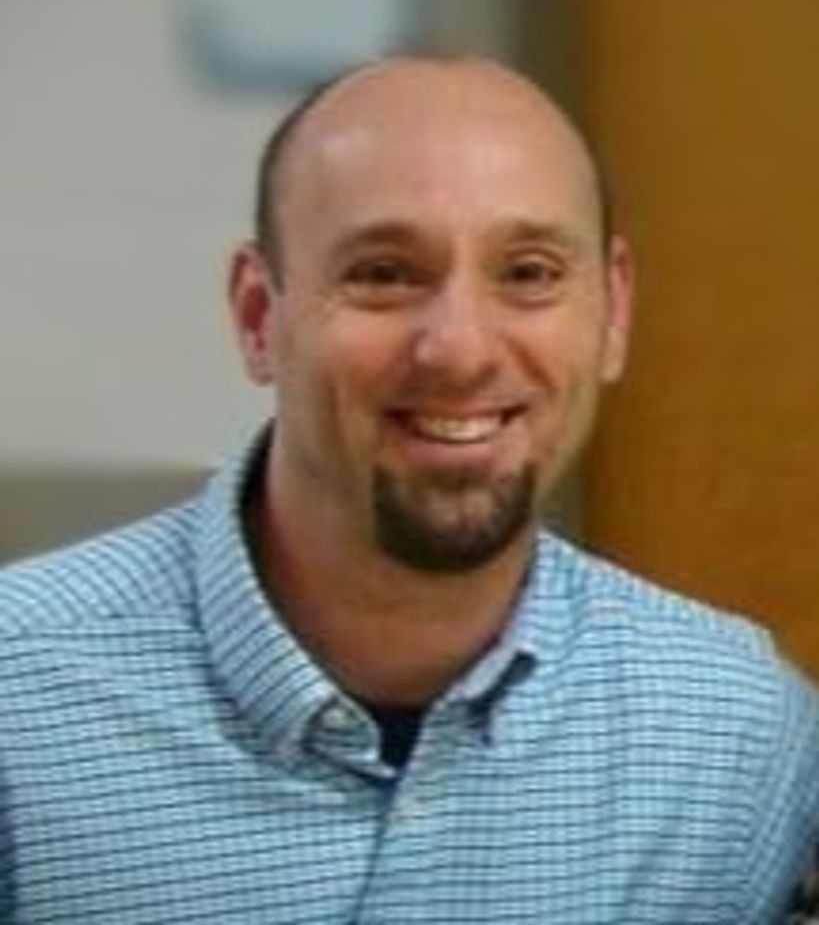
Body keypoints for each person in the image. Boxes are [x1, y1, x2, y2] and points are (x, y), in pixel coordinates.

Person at [0, 54, 817, 924]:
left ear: (611, 313)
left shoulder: (738, 738)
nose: (459, 350)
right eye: (383, 274)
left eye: (529, 273)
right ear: (257, 316)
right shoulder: (20, 703)